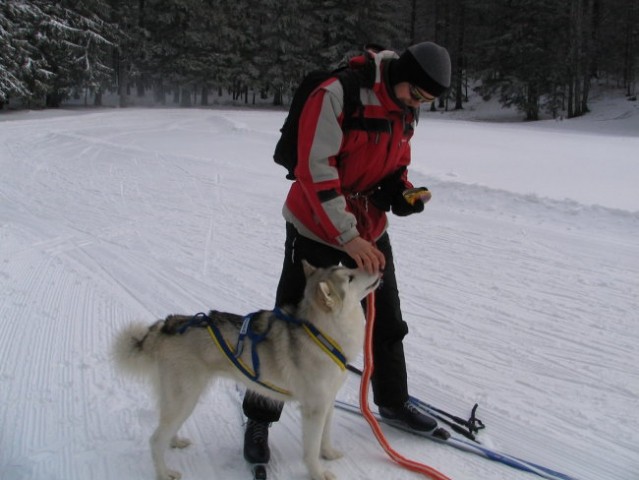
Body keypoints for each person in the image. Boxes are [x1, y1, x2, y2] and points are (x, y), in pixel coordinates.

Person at [243, 41, 452, 464]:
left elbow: (395, 163)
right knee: (290, 320)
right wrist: (348, 236)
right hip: (318, 222)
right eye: (416, 94)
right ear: (401, 75)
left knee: (385, 317)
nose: (418, 104)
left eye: (426, 101)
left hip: (366, 224)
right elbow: (315, 169)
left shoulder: (406, 108)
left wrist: (402, 193)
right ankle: (261, 417)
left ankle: (393, 402)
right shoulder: (338, 94)